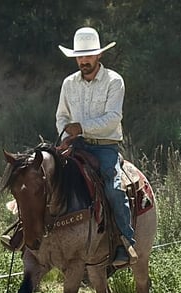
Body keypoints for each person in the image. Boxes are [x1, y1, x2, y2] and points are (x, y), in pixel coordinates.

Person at [56, 26, 136, 267]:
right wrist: (65, 136)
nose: (84, 61)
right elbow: (62, 116)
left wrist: (81, 127)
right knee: (48, 179)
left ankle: (125, 240)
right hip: (76, 145)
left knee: (113, 187)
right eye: (80, 56)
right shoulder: (69, 83)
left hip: (105, 147)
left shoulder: (114, 81)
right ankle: (38, 238)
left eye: (88, 55)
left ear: (99, 55)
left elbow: (113, 118)